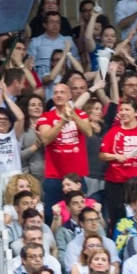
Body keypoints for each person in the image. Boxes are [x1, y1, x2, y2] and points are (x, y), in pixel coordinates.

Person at [37, 82, 94, 222]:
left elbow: (88, 132)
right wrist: (62, 122)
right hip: (54, 175)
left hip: (77, 176)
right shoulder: (46, 117)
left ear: (69, 96)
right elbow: (45, 139)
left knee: (81, 214)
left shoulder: (81, 114)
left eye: (62, 92)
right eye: (56, 92)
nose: (58, 95)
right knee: (52, 215)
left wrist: (73, 115)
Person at [100, 97, 137, 225]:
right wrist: (115, 156)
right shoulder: (113, 132)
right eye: (121, 110)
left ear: (136, 112)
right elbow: (102, 155)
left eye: (127, 109)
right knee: (115, 218)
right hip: (115, 182)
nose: (123, 112)